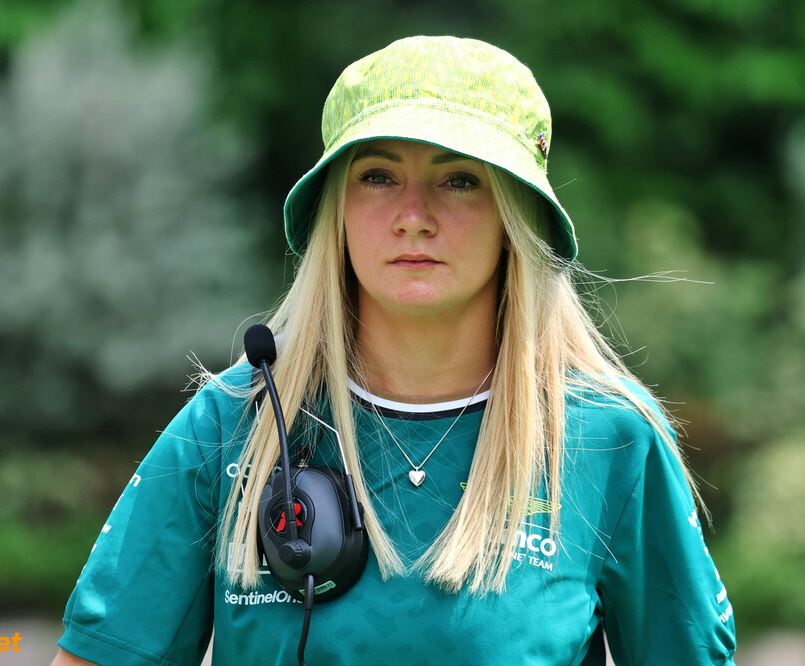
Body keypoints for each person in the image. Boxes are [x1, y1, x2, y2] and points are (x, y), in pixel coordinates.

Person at [52, 36, 736, 666]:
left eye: (460, 179)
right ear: (336, 210)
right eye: (377, 176)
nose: (414, 213)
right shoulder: (233, 426)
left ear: (516, 216)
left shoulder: (609, 439)